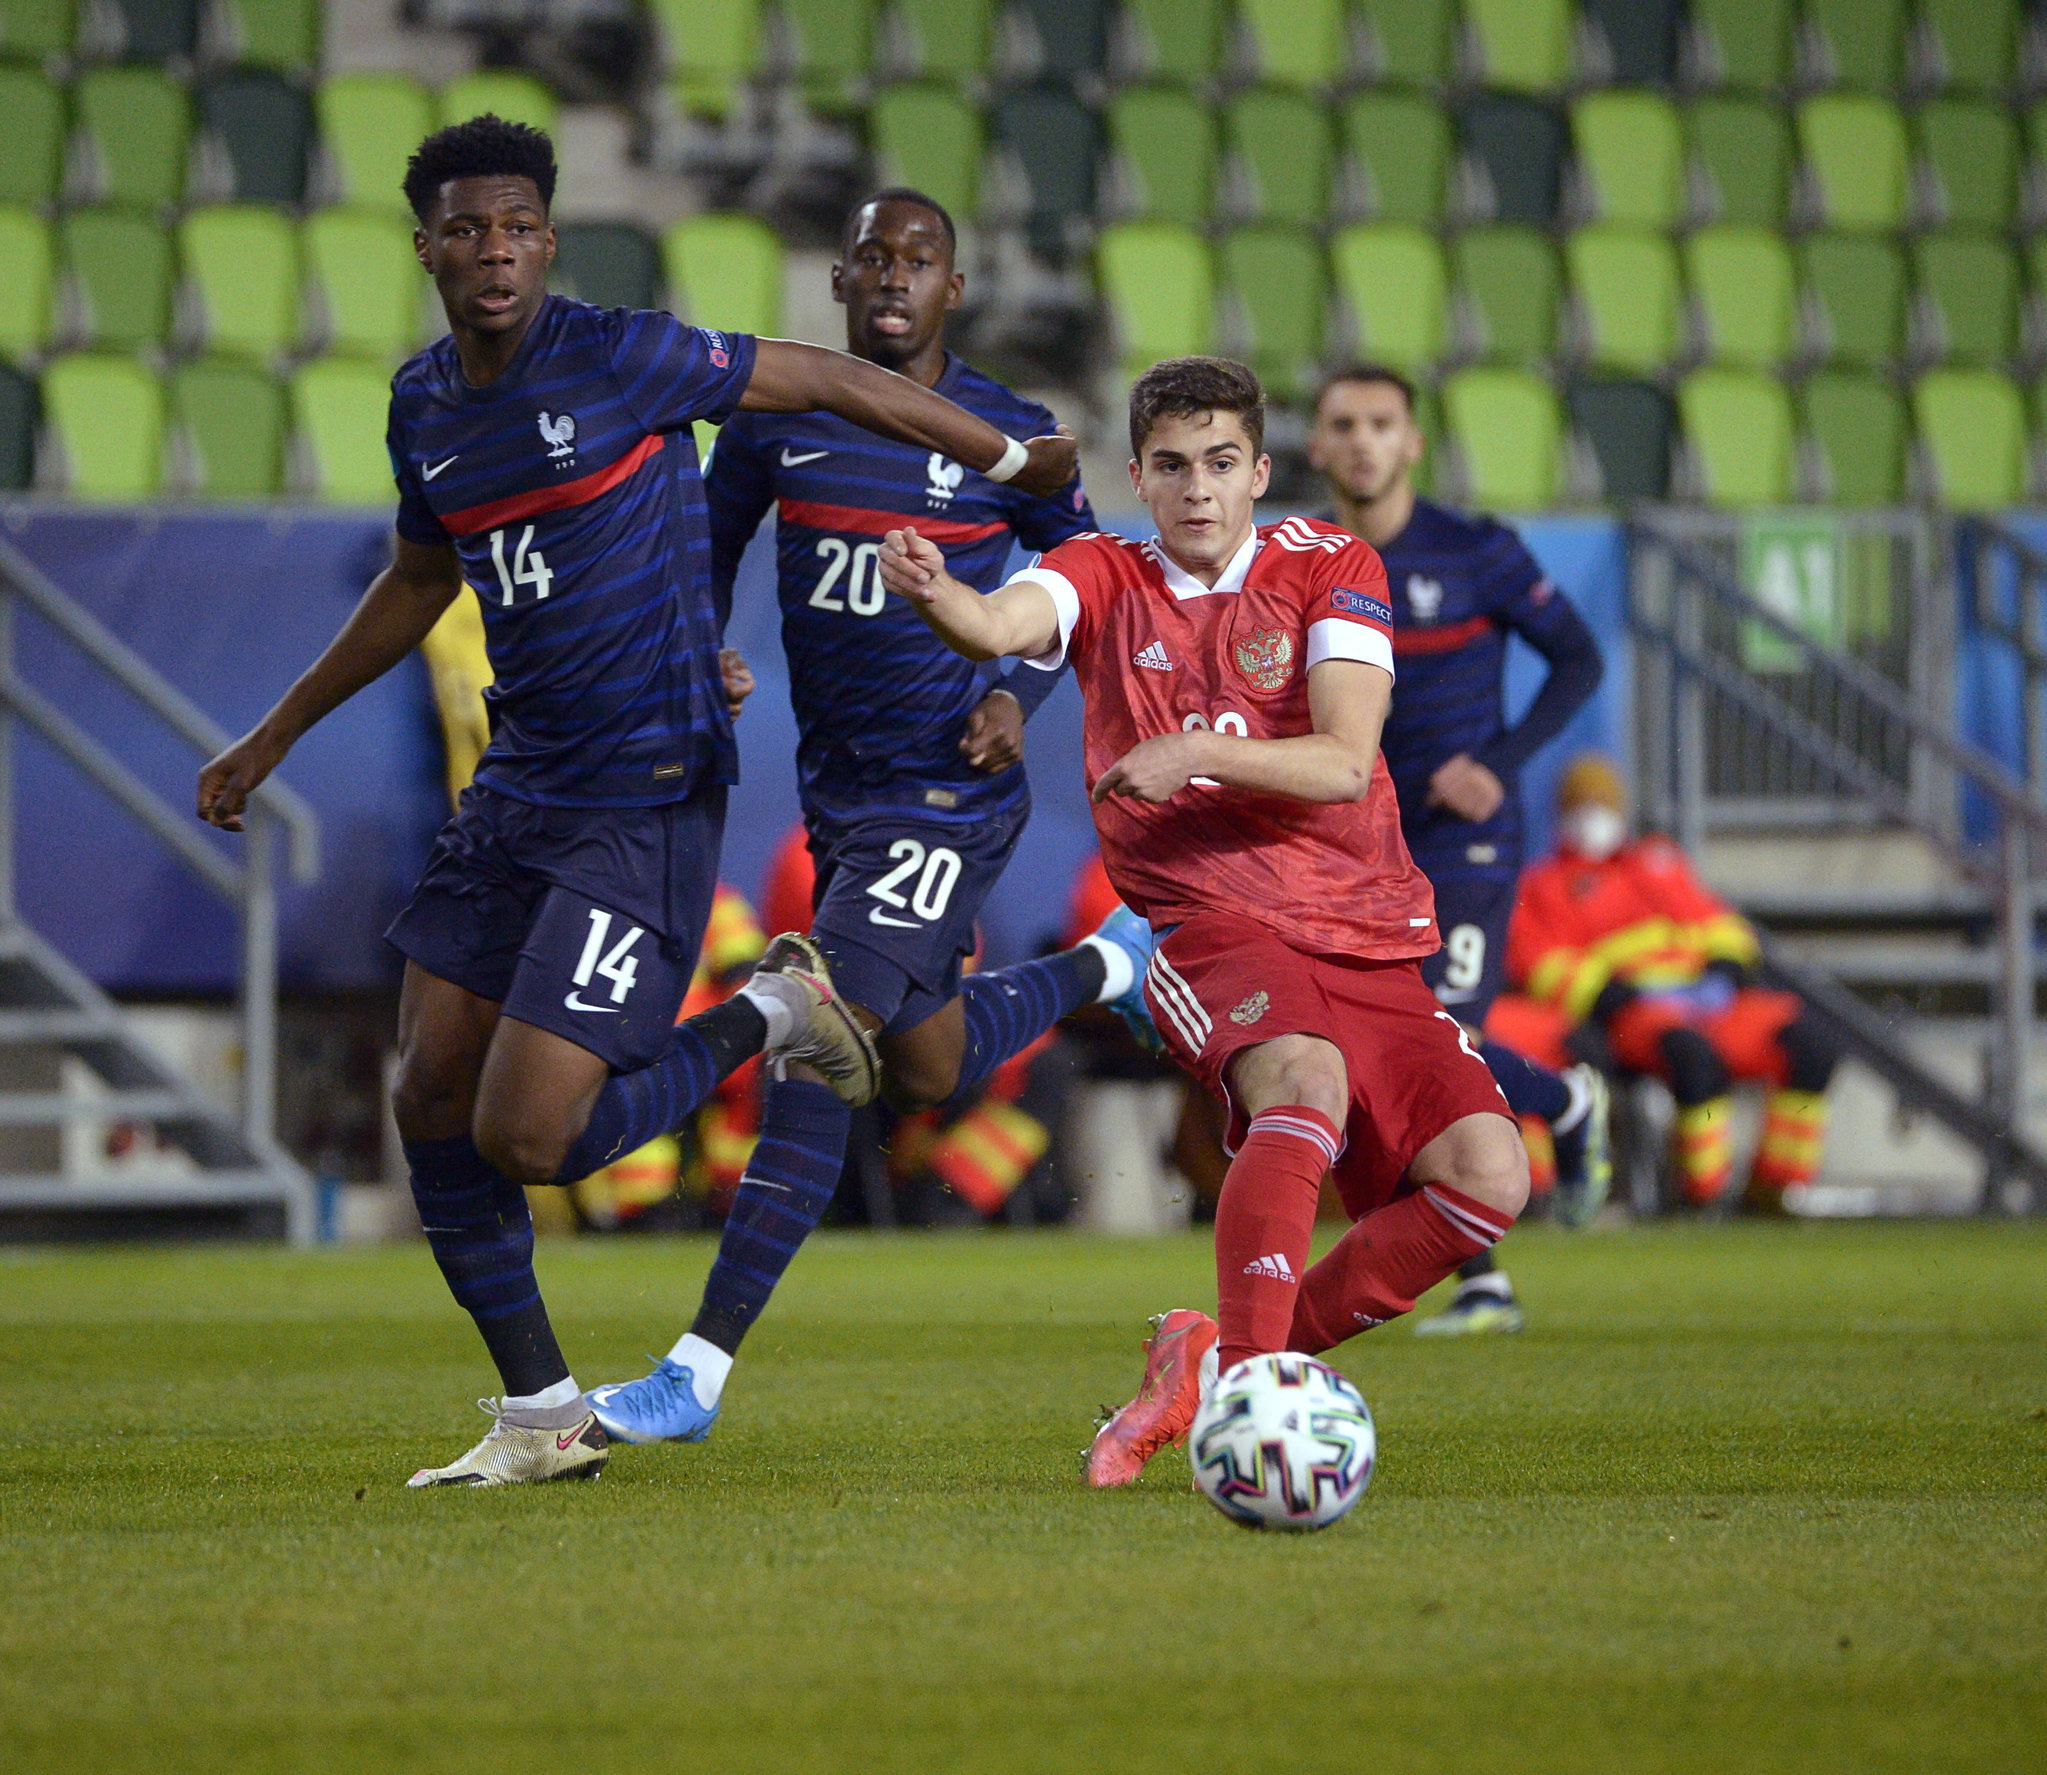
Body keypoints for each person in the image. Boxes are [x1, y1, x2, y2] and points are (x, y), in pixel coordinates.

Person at [193, 119, 1080, 1488]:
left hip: (643, 787)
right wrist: (271, 732)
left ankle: (773, 1011)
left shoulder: (626, 353)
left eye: (517, 228)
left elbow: (825, 378)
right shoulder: (426, 404)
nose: (494, 251)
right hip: (516, 783)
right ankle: (542, 1410)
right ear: (426, 247)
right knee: (425, 1087)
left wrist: (1012, 462)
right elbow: (420, 581)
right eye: (467, 231)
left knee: (531, 1134)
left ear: (548, 239)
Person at [878, 355, 1530, 1489]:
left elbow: (1342, 763)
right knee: (1305, 1085)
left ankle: (1210, 1357)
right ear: (1137, 475)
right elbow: (998, 621)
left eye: (1221, 463)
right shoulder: (1098, 570)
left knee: (1487, 1175)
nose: (1196, 488)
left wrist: (1192, 751)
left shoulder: (1332, 563)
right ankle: (1255, 1402)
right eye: (1171, 466)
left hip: (1362, 919)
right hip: (1207, 913)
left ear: (1260, 472)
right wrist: (942, 595)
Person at [584, 189, 1151, 1445]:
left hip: (950, 785)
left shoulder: (1010, 434)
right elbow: (706, 549)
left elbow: (1085, 583)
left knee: (816, 1031)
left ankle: (696, 1370)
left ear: (954, 288)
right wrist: (702, 651)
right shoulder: (782, 423)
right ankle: (1114, 963)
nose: (896, 276)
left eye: (921, 260)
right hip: (842, 792)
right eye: (875, 258)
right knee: (931, 1059)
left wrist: (1016, 689)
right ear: (839, 282)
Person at [1306, 364, 1611, 1337]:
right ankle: (1561, 1100)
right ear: (1314, 446)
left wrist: (1501, 759)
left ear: (1412, 442)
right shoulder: (1296, 558)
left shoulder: (1475, 551)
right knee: (1387, 1050)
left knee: (1442, 1036)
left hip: (1466, 841)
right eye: (1342, 424)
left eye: (1380, 423)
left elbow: (1578, 656)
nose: (1361, 440)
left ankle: (1483, 1278)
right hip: (1358, 845)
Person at [1506, 755, 1839, 1210]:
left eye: (1602, 805)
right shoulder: (1543, 885)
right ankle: (1702, 1195)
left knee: (1811, 1044)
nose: (1594, 816)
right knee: (1692, 1058)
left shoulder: (1657, 863)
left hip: (1710, 999)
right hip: (1637, 1010)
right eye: (1583, 806)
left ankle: (1774, 1190)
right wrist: (1618, 994)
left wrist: (1724, 970)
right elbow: (1539, 964)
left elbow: (1721, 924)